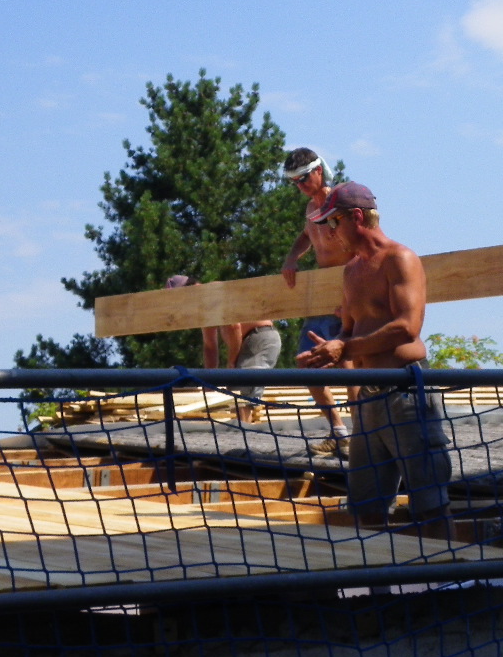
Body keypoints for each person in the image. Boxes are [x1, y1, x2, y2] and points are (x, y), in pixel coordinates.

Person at [296, 182, 451, 539]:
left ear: (357, 217)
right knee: (365, 507)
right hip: (368, 399)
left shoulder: (400, 259)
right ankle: (374, 575)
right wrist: (326, 351)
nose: (330, 233)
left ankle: (454, 570)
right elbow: (348, 332)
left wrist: (345, 349)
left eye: (333, 222)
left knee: (430, 503)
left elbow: (407, 327)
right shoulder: (351, 270)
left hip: (406, 392)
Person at [281, 147, 358, 458]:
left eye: (303, 178)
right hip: (324, 299)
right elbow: (306, 235)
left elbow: (366, 244)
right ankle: (340, 433)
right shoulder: (312, 209)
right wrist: (291, 258)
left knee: (350, 366)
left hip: (350, 294)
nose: (300, 186)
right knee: (307, 365)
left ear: (318, 171)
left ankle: (364, 435)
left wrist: (354, 299)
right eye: (294, 182)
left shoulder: (343, 202)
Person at [164, 275, 280, 424]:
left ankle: (244, 431)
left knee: (241, 390)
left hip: (259, 338)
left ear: (189, 290)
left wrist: (232, 361)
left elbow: (234, 327)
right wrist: (208, 381)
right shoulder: (203, 307)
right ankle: (242, 429)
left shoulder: (212, 292)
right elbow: (210, 346)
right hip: (249, 341)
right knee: (235, 391)